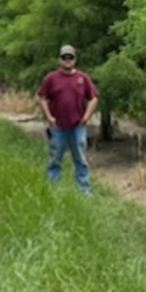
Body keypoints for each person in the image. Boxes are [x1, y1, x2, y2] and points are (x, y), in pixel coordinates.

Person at [37, 44, 99, 194]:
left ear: (75, 59)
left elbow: (93, 98)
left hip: (77, 126)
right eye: (64, 57)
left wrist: (86, 117)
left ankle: (84, 190)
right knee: (55, 158)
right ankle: (52, 188)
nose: (67, 60)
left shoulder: (82, 78)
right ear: (59, 59)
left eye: (70, 57)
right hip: (57, 126)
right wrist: (49, 117)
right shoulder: (51, 78)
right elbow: (42, 97)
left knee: (80, 159)